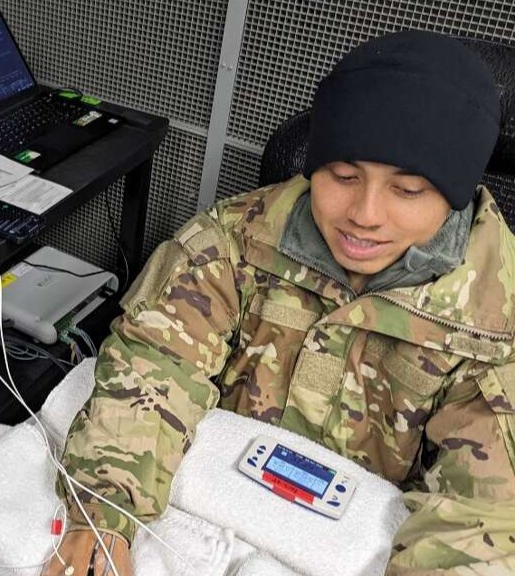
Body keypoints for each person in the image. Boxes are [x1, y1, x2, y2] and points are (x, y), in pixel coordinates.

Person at [43, 30, 515, 576]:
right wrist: (104, 509)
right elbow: (155, 362)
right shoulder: (233, 239)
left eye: (407, 191)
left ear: (455, 197)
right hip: (210, 516)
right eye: (342, 176)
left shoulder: (498, 320)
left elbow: (486, 515)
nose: (364, 213)